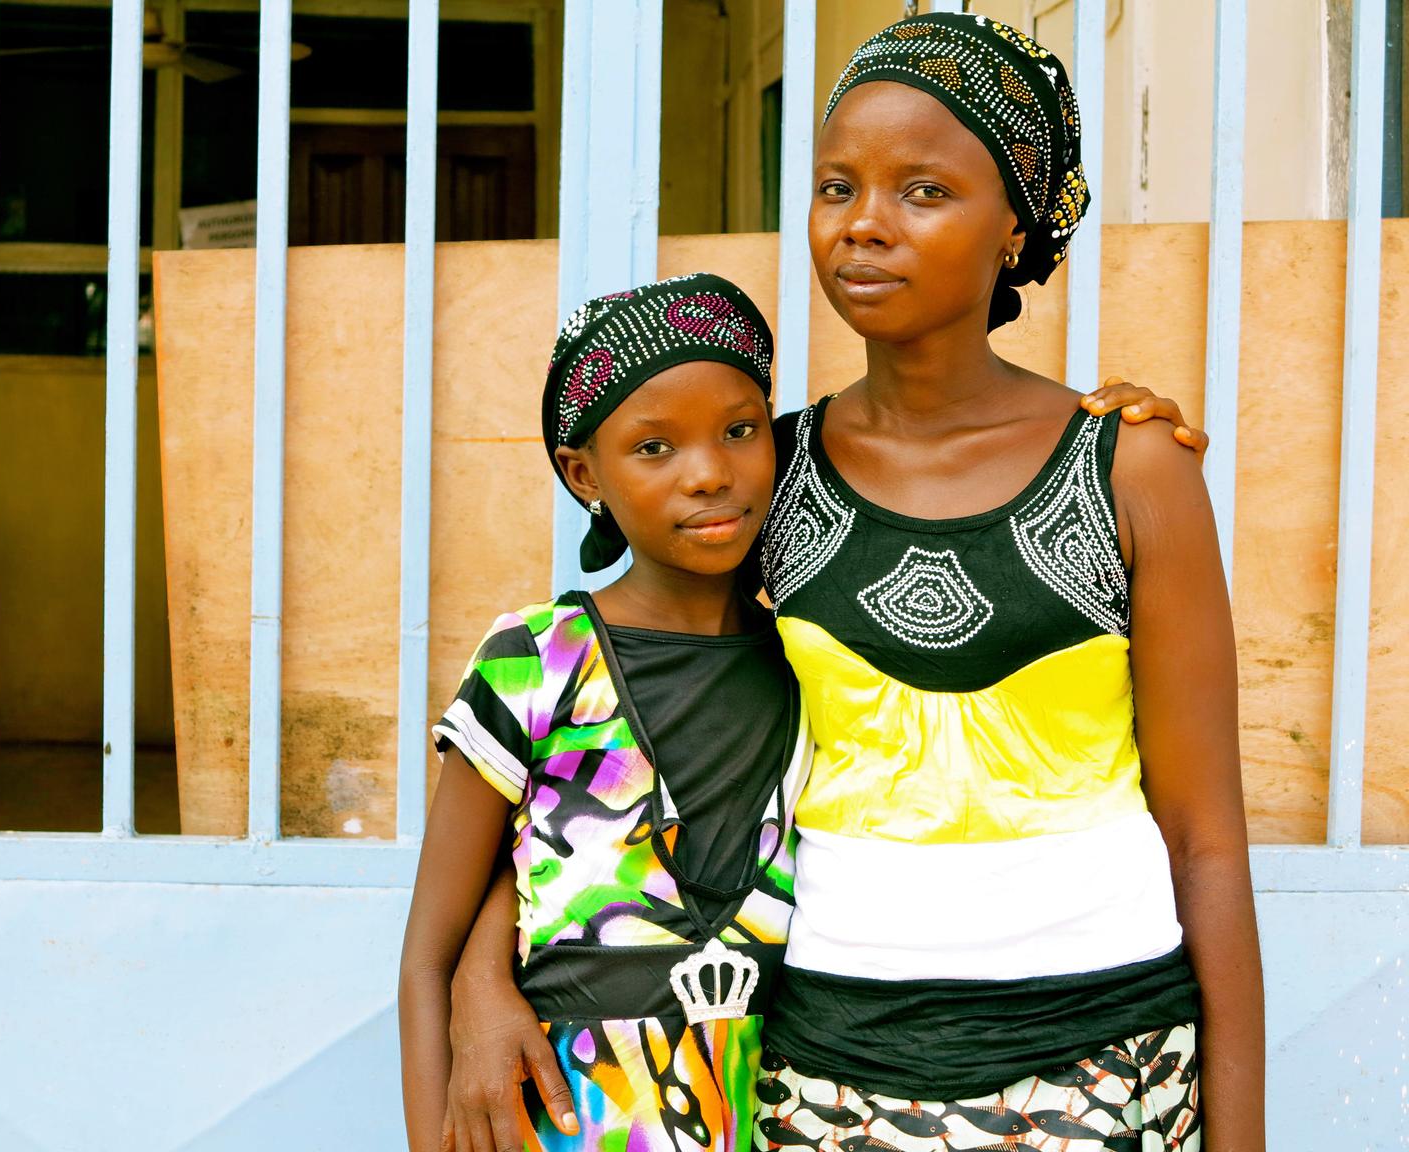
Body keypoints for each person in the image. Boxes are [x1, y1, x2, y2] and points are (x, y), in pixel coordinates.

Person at [436, 12, 1257, 1152]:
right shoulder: (765, 474)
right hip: (828, 1061)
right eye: (836, 188)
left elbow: (1207, 837)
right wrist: (481, 968)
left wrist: (1242, 1132)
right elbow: (604, 739)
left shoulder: (1131, 468)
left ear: (1013, 221)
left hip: (1111, 1049)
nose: (865, 226)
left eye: (923, 191)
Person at [400, 273, 812, 1151]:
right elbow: (429, 958)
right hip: (561, 1123)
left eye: (740, 431)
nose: (708, 473)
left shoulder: (813, 662)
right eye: (654, 448)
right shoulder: (535, 662)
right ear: (585, 474)